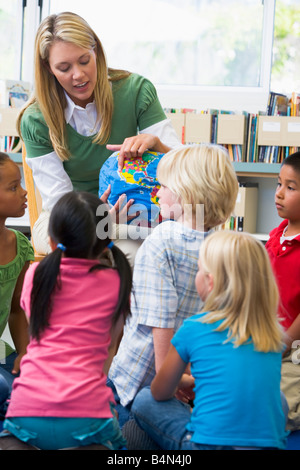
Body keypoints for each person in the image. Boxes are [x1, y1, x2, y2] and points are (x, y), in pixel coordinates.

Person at [18, 11, 181, 260]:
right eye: (64, 67)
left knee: (161, 246)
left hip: (133, 211)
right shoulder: (36, 119)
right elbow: (60, 201)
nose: (78, 75)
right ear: (47, 68)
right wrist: (102, 219)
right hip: (67, 216)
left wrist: (158, 145)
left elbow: (189, 170)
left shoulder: (136, 91)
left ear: (96, 50)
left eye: (84, 60)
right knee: (126, 252)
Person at [108, 144, 239, 426]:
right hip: (186, 381)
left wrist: (166, 375)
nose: (156, 192)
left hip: (140, 381)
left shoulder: (163, 239)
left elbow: (160, 321)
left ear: (186, 194)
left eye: (163, 186)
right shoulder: (220, 245)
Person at [130, 230, 288, 450]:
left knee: (144, 399)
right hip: (267, 446)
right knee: (277, 396)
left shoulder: (194, 328)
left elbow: (160, 392)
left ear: (210, 282)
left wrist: (185, 382)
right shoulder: (273, 334)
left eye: (199, 270)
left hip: (207, 446)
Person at [3, 191, 132, 450]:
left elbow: (39, 332)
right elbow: (110, 351)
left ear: (51, 242)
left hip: (26, 412)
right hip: (87, 417)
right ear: (107, 239)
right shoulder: (118, 282)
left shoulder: (35, 275)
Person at [265, 150, 300, 431]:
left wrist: (285, 342)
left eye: (290, 188)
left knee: (281, 412)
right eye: (279, 184)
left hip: (294, 347)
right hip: (267, 337)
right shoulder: (277, 234)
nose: (278, 193)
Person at [0, 152, 34, 414]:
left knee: (33, 387)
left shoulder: (21, 245)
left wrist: (24, 351)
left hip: (2, 351)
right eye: (14, 187)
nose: (24, 193)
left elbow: (16, 309)